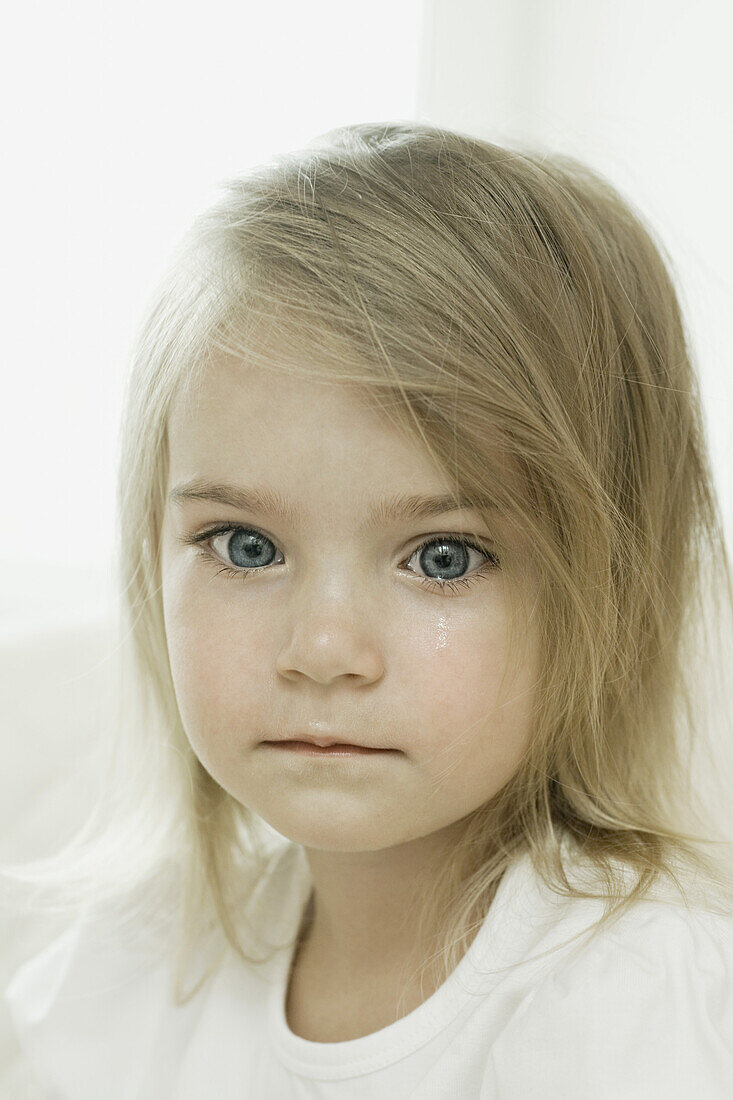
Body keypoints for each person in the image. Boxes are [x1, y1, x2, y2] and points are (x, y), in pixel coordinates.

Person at [2, 120, 732, 1098]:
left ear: (614, 589)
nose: (322, 649)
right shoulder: (131, 969)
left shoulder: (621, 994)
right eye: (245, 546)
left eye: (442, 557)